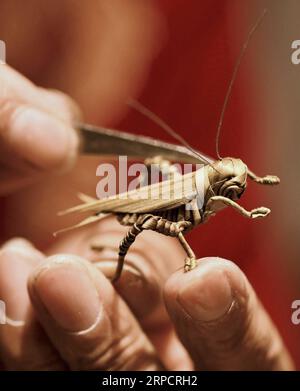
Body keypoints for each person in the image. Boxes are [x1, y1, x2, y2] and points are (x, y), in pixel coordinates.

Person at [0, 0, 295, 370]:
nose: (238, 184)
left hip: (225, 326)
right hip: (131, 223)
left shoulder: (191, 21)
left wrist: (254, 184)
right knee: (138, 231)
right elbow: (181, 227)